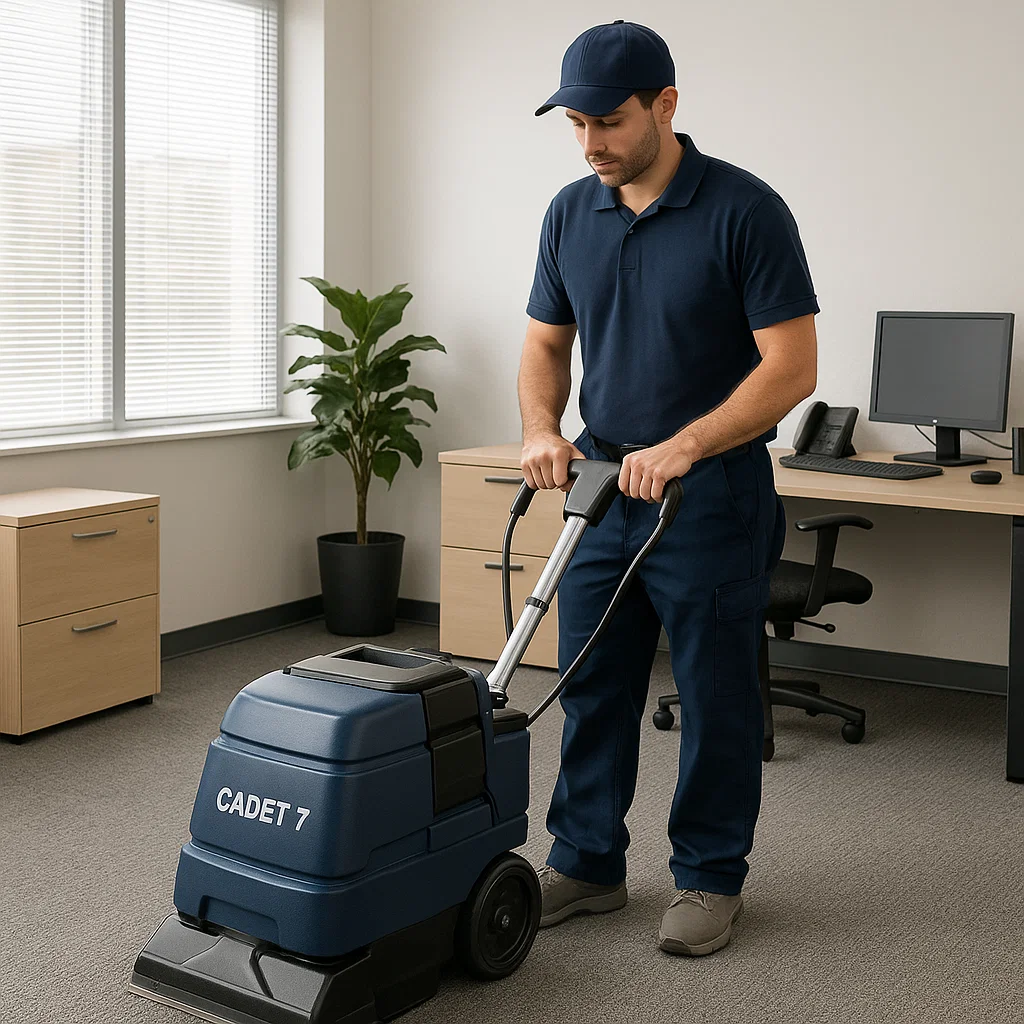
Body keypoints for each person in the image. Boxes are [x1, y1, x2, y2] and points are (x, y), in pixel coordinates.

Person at [518, 20, 818, 956]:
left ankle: (709, 877)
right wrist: (540, 429)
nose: (591, 143)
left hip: (711, 495)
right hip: (604, 488)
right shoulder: (571, 211)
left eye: (606, 121)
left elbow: (792, 366)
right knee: (592, 684)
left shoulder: (745, 210)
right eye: (575, 123)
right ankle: (586, 859)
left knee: (716, 693)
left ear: (665, 105)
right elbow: (543, 343)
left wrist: (687, 444)